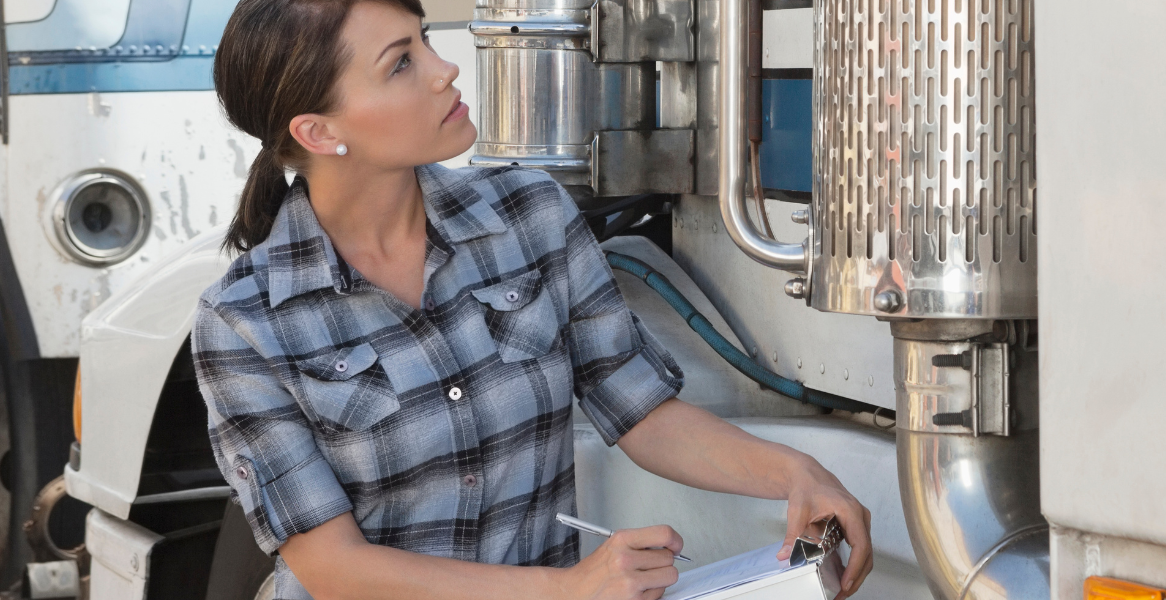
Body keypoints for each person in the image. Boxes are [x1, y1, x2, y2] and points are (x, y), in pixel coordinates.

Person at [192, 0, 874, 598]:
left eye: (425, 38)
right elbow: (336, 569)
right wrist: (570, 589)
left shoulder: (530, 213)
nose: (444, 69)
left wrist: (793, 473)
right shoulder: (246, 321)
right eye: (401, 63)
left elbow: (639, 410)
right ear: (319, 133)